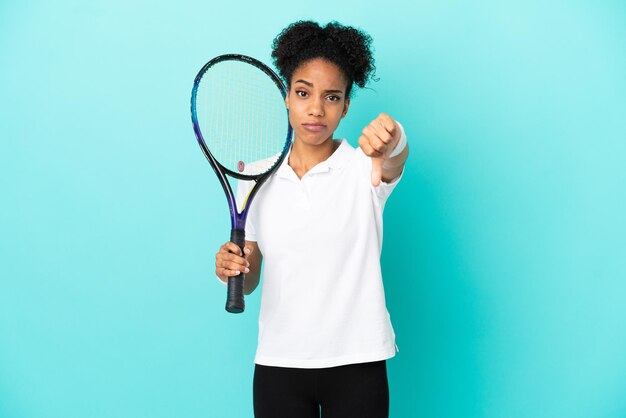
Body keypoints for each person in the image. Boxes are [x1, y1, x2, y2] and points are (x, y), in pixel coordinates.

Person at [214, 20, 409, 418]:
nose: (316, 109)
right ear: (286, 96)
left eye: (332, 97)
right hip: (279, 366)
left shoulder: (363, 169)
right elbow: (248, 281)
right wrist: (232, 267)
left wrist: (394, 137)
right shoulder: (254, 177)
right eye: (303, 93)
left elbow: (394, 157)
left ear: (346, 106)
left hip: (358, 362)